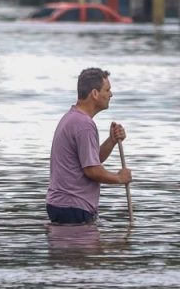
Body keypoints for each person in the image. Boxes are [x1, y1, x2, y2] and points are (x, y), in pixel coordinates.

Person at [45, 67, 131, 226]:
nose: (111, 94)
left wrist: (111, 140)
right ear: (95, 94)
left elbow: (91, 160)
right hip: (73, 207)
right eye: (107, 89)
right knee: (83, 251)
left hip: (63, 206)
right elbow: (91, 170)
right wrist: (119, 178)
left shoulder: (73, 118)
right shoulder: (83, 124)